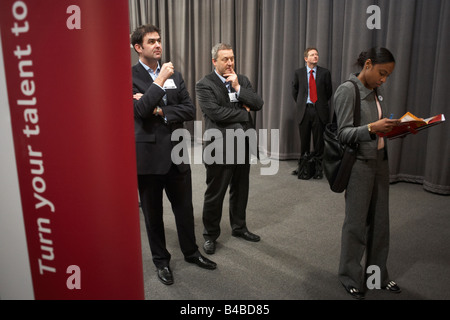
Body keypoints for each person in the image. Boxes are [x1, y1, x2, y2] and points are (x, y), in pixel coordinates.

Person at [131, 24, 216, 285]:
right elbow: (139, 111)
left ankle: (191, 252)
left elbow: (189, 110)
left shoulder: (175, 76)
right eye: (151, 41)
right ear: (138, 47)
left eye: (159, 40)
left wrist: (160, 111)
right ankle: (161, 261)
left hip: (177, 153)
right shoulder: (128, 75)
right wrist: (157, 83)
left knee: (184, 209)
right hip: (148, 158)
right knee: (153, 214)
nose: (158, 45)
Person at [334, 47, 401, 299]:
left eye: (387, 76)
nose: (383, 80)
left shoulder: (376, 91)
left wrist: (395, 129)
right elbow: (343, 134)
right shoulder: (346, 90)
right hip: (359, 165)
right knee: (356, 224)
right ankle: (349, 276)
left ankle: (377, 275)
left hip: (380, 162)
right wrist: (372, 127)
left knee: (381, 223)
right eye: (382, 73)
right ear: (368, 64)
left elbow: (375, 128)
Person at [195, 43, 264, 255]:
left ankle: (239, 227)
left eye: (232, 58)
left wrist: (238, 89)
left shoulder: (241, 80)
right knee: (215, 194)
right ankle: (210, 235)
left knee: (240, 190)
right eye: (225, 59)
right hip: (219, 147)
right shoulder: (204, 84)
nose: (230, 63)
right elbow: (215, 113)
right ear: (214, 61)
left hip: (242, 145)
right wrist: (244, 113)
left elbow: (258, 103)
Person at [292, 48, 332, 179]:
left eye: (316, 54)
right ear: (306, 58)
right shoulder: (298, 73)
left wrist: (319, 104)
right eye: (312, 55)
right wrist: (302, 104)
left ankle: (318, 169)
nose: (315, 56)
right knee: (304, 142)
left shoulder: (325, 73)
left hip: (319, 111)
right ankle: (303, 167)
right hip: (304, 110)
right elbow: (295, 92)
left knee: (319, 142)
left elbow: (328, 92)